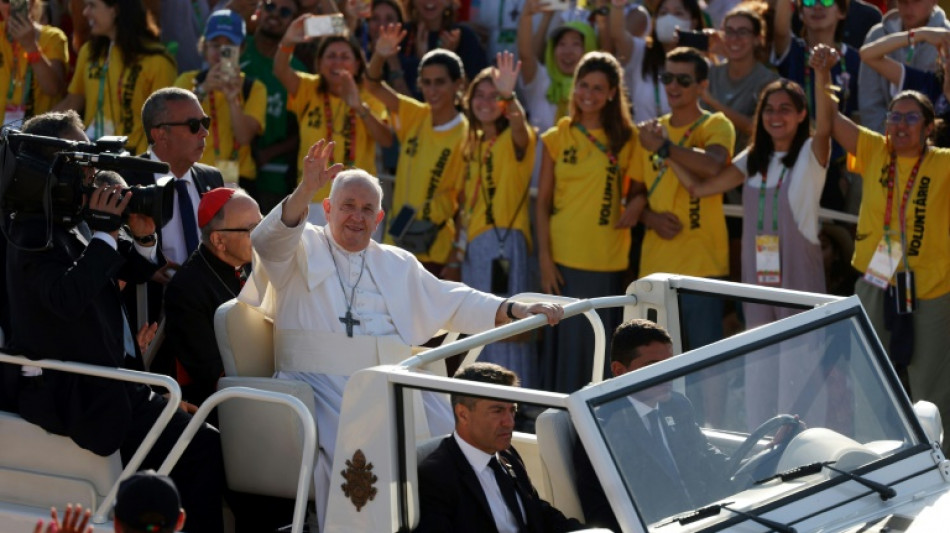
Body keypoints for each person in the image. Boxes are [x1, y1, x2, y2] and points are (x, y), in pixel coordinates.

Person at [239, 138, 565, 530]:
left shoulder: (395, 261)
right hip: (320, 386)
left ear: (379, 219)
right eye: (347, 207)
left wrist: (513, 308)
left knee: (457, 442)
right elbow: (266, 242)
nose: (357, 217)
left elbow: (453, 299)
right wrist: (305, 188)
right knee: (365, 462)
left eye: (367, 210)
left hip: (396, 381)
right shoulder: (300, 245)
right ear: (326, 209)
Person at [5, 110, 225, 533]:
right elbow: (66, 298)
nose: (91, 169)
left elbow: (131, 268)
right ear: (54, 163)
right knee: (200, 449)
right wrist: (105, 232)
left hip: (117, 383)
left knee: (204, 441)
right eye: (81, 157)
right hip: (79, 392)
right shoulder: (30, 230)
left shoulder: (69, 220)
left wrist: (141, 236)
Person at [813, 43, 950, 453]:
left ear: (929, 127)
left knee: (930, 382)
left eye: (911, 118)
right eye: (894, 115)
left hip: (932, 287)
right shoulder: (875, 151)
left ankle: (939, 458)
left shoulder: (943, 162)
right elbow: (829, 123)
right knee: (871, 373)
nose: (900, 124)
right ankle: (881, 451)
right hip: (874, 280)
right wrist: (822, 75)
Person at [670, 79, 831, 426]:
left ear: (802, 114)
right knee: (760, 355)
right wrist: (664, 151)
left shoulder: (811, 152)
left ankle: (802, 437)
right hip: (757, 272)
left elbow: (828, 125)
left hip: (798, 272)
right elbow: (700, 188)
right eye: (769, 109)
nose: (776, 116)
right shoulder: (753, 157)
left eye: (785, 109)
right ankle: (761, 436)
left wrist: (823, 73)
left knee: (799, 357)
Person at [629, 47, 734, 424]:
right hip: (655, 268)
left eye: (683, 79)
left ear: (702, 85)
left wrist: (665, 148)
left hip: (702, 265)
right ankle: (656, 431)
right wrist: (651, 218)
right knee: (653, 363)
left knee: (704, 361)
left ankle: (711, 431)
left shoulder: (716, 123)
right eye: (667, 78)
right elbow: (635, 192)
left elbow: (712, 165)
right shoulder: (649, 132)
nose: (673, 86)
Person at [536, 51, 639, 394]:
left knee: (597, 349)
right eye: (583, 85)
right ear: (574, 87)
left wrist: (637, 201)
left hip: (607, 257)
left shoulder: (627, 138)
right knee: (566, 349)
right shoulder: (557, 136)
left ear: (612, 92)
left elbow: (640, 189)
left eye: (598, 87)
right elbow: (543, 204)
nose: (589, 94)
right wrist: (545, 261)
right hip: (563, 260)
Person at [573, 319, 731, 529]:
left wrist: (759, 462)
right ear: (620, 371)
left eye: (669, 364)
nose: (666, 375)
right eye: (653, 367)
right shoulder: (600, 428)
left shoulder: (678, 405)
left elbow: (705, 456)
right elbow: (603, 513)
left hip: (710, 519)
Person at [449, 53, 538, 386]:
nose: (486, 102)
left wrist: (509, 94)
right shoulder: (471, 142)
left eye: (493, 96)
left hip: (505, 244)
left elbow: (518, 125)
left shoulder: (515, 138)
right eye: (480, 95)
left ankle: (517, 396)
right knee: (482, 322)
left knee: (509, 325)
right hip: (475, 246)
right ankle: (484, 394)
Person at [122, 87, 226, 368]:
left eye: (205, 123)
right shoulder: (126, 178)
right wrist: (145, 263)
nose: (204, 133)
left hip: (203, 320)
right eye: (194, 125)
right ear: (160, 133)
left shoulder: (211, 178)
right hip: (149, 319)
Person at [415, 363, 585, 533]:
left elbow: (537, 512)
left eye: (513, 410)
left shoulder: (507, 455)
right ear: (463, 414)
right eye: (497, 411)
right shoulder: (436, 478)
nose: (510, 422)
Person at [367, 26, 467, 272]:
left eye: (440, 82)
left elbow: (466, 201)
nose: (432, 91)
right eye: (427, 83)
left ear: (458, 84)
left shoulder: (467, 133)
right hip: (397, 241)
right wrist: (380, 55)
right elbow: (372, 86)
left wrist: (457, 252)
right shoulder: (415, 114)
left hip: (438, 248)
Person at [276, 16, 393, 225]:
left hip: (360, 204)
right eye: (330, 56)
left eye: (344, 56)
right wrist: (288, 42)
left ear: (357, 64)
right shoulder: (308, 88)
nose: (337, 62)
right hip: (314, 201)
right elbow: (280, 71)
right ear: (319, 63)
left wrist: (359, 107)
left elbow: (386, 140)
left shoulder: (369, 96)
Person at [160, 188, 261, 405]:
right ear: (218, 240)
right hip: (223, 404)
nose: (262, 235)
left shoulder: (255, 265)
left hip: (264, 384)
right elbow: (212, 374)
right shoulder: (187, 289)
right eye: (252, 229)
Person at [54, 0, 177, 154]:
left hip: (132, 161)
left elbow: (165, 123)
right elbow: (74, 100)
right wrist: (36, 128)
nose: (85, 13)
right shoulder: (89, 52)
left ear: (115, 10)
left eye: (92, 6)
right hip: (91, 153)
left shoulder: (158, 61)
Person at [175, 10, 267, 190]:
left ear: (241, 49)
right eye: (215, 45)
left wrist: (233, 99)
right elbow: (174, 125)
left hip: (239, 180)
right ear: (204, 47)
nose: (220, 53)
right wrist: (202, 90)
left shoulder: (253, 88)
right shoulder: (188, 80)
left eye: (229, 46)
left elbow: (244, 137)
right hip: (194, 175)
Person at [241, 0, 306, 214]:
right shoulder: (237, 49)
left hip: (274, 177)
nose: (275, 14)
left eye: (285, 11)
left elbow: (304, 129)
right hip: (230, 166)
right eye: (270, 6)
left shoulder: (297, 71)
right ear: (258, 11)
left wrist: (269, 153)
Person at [858, 0, 950, 134]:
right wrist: (919, 35)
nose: (909, 7)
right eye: (903, 1)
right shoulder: (930, 84)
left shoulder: (946, 35)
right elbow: (866, 55)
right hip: (894, 146)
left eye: (915, 1)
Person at [609, 0, 708, 123]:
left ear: (693, 23)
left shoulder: (705, 65)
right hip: (643, 139)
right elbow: (618, 34)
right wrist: (618, 5)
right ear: (655, 22)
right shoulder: (640, 53)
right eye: (663, 12)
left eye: (678, 13)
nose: (669, 18)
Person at [702, 5, 779, 150]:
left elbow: (762, 128)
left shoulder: (769, 81)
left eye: (742, 32)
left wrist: (713, 103)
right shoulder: (711, 74)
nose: (735, 39)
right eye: (729, 32)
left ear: (757, 39)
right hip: (709, 162)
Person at [516, 1, 597, 132]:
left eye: (576, 44)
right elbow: (525, 56)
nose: (567, 51)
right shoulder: (541, 81)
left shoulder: (596, 91)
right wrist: (526, 16)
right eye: (561, 44)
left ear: (589, 49)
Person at [0, 0, 68, 125]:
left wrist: (31, 46)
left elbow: (53, 89)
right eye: (5, 1)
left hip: (36, 136)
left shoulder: (53, 37)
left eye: (17, 2)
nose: (10, 6)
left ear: (30, 3)